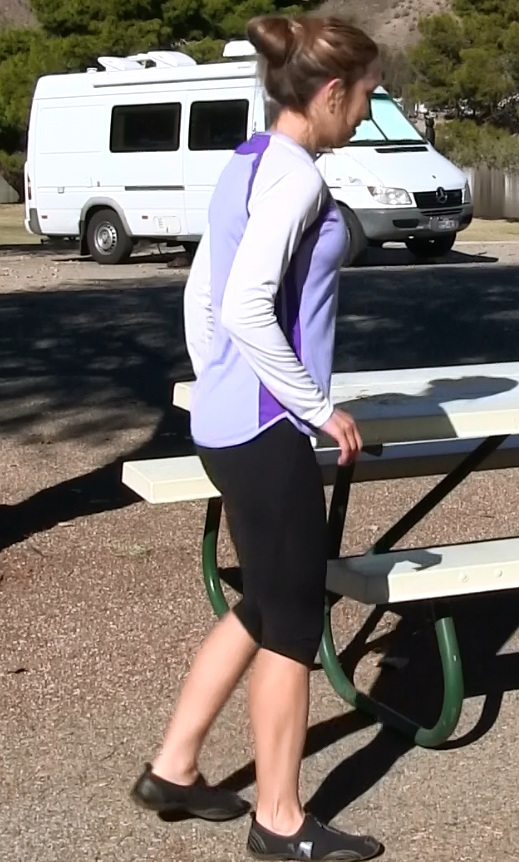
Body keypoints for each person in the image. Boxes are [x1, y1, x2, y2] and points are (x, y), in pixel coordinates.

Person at [129, 14, 381, 862]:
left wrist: (219, 382)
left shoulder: (246, 160)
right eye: (366, 97)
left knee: (268, 600)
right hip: (268, 426)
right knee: (294, 623)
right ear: (331, 92)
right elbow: (240, 302)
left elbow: (205, 291)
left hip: (233, 418)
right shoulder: (298, 179)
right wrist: (312, 405)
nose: (368, 113)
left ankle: (173, 767)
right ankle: (279, 820)